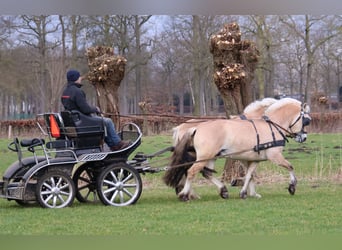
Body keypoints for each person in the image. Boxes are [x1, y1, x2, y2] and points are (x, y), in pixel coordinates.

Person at [61, 69, 130, 151]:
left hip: (76, 121)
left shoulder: (65, 92)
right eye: (79, 77)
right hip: (82, 122)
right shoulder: (77, 92)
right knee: (108, 121)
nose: (81, 79)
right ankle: (117, 144)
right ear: (75, 78)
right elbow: (85, 109)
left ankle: (112, 144)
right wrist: (95, 109)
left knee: (103, 123)